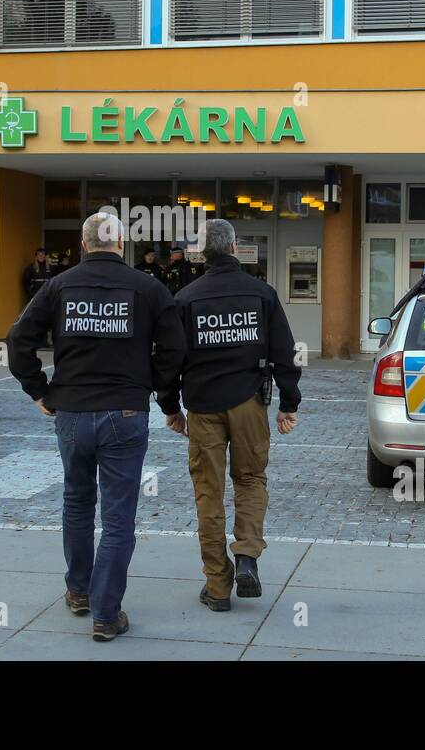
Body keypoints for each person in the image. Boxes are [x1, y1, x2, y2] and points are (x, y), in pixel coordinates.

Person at [7, 212, 186, 642]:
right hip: (124, 413)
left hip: (70, 410)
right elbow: (175, 348)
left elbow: (19, 340)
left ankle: (79, 591)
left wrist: (39, 390)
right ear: (120, 243)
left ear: (84, 244)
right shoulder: (147, 287)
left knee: (76, 501)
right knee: (119, 515)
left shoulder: (59, 285)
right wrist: (156, 390)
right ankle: (106, 612)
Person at [159, 218, 301, 612]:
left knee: (209, 492)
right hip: (249, 403)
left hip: (203, 405)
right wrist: (289, 403)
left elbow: (169, 360)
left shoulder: (186, 298)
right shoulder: (262, 294)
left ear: (202, 253)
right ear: (235, 248)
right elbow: (284, 354)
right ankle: (248, 557)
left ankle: (218, 587)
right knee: (251, 479)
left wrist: (170, 407)